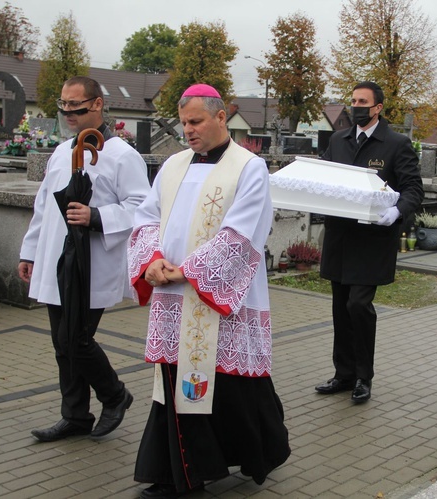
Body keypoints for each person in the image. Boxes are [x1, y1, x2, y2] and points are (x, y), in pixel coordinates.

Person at [128, 83, 290, 498]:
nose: (189, 130)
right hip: (171, 293)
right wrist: (152, 261)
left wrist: (189, 270)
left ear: (222, 117)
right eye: (184, 123)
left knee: (235, 384)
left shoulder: (248, 167)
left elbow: (243, 231)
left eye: (196, 121)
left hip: (218, 292)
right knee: (177, 383)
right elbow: (146, 218)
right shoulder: (173, 165)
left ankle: (260, 451)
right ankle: (182, 473)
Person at [19, 76, 150, 441]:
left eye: (75, 107)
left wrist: (97, 217)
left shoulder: (122, 155)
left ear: (97, 105)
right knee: (61, 343)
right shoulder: (62, 152)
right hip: (54, 259)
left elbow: (143, 207)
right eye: (63, 106)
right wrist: (29, 251)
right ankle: (75, 415)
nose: (68, 114)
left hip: (92, 263)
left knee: (75, 339)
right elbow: (44, 205)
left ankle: (115, 394)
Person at [314, 81, 424, 403]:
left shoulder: (396, 143)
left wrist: (397, 211)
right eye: (353, 101)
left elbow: (414, 189)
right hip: (341, 238)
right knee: (340, 308)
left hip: (372, 240)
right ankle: (343, 374)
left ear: (377, 108)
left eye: (363, 101)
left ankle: (364, 376)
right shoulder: (339, 140)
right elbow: (324, 174)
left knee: (358, 305)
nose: (356, 106)